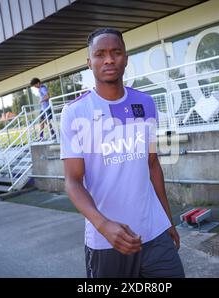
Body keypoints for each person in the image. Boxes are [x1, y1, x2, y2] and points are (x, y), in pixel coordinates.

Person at [60, 28, 185, 278]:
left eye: (116, 52)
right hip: (107, 241)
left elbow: (152, 164)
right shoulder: (75, 113)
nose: (109, 59)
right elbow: (73, 182)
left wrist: (167, 219)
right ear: (89, 63)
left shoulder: (146, 103)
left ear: (126, 58)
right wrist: (103, 225)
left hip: (155, 233)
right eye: (100, 54)